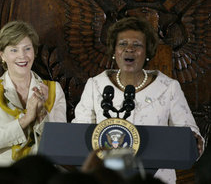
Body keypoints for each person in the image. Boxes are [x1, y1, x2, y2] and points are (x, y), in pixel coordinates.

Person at [72, 17, 204, 184]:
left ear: (147, 52)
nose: (129, 49)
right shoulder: (96, 85)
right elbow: (80, 133)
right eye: (122, 44)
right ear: (114, 51)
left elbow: (188, 131)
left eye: (137, 45)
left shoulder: (168, 87)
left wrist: (195, 139)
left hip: (155, 179)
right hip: (105, 178)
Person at [0, 21, 67, 166]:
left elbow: (59, 142)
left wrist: (41, 113)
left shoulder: (53, 89)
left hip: (42, 173)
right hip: (2, 175)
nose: (22, 56)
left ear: (34, 52)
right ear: (2, 56)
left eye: (27, 48)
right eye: (14, 50)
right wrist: (26, 119)